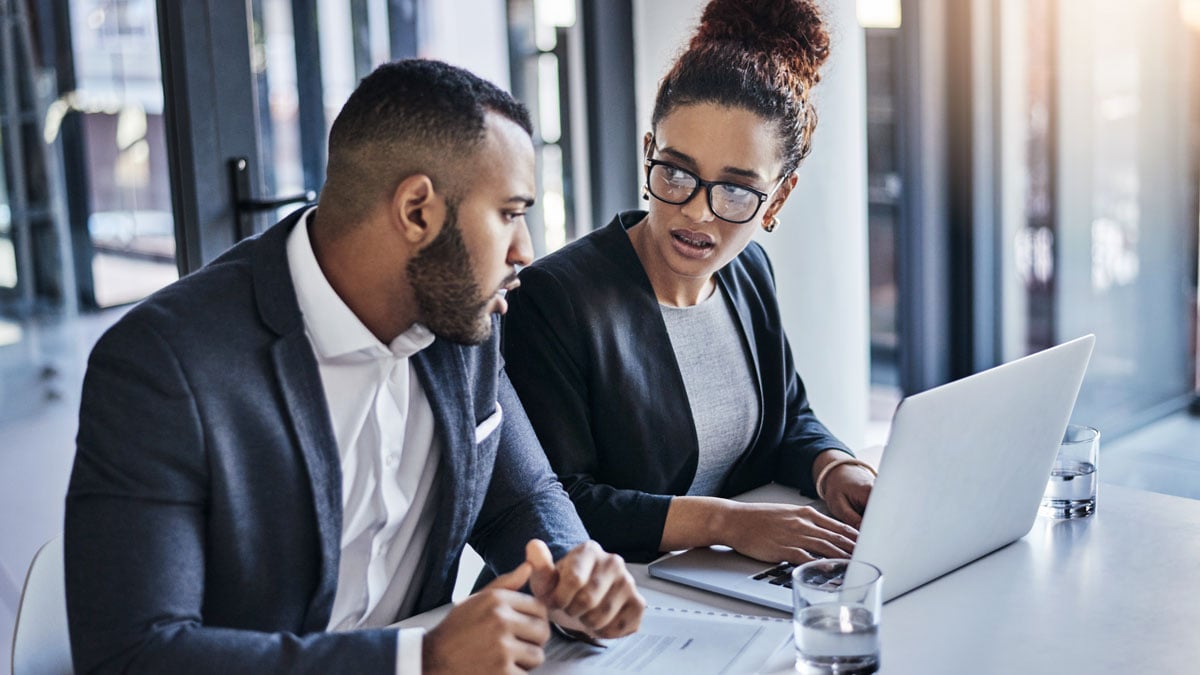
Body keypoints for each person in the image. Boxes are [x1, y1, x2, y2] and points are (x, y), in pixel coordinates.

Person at [64, 59, 643, 675]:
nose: (525, 252)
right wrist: (421, 659)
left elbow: (519, 499)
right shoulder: (161, 365)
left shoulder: (463, 313)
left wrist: (574, 579)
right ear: (418, 211)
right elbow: (131, 655)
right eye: (509, 212)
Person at [502, 0, 876, 566]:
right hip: (597, 604)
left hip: (713, 587)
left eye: (734, 190)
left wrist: (834, 466)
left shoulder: (747, 272)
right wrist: (725, 523)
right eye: (676, 172)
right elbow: (557, 503)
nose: (697, 213)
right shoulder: (555, 299)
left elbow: (788, 415)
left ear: (778, 197)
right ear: (648, 152)